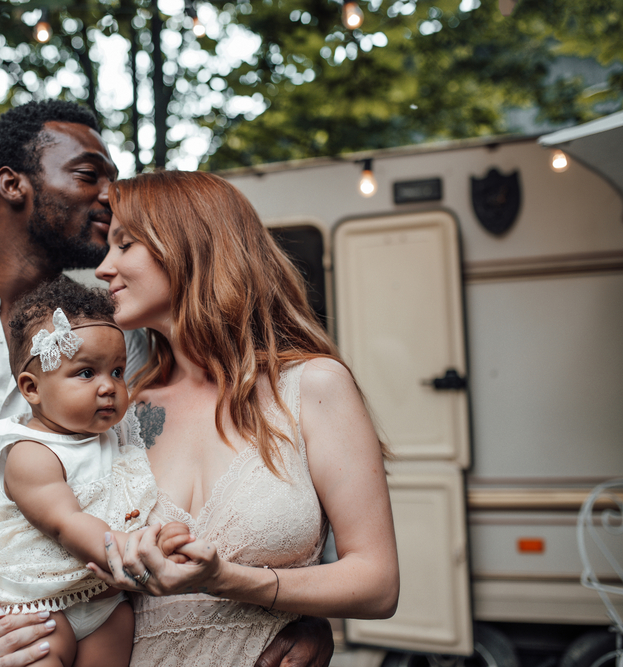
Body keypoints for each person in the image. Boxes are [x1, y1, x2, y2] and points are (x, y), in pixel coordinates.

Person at [0, 98, 333, 667]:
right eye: (88, 174)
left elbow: (225, 480)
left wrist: (302, 617)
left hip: (106, 636)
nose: (110, 193)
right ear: (13, 184)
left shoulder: (124, 336)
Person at [80, 170, 401, 667]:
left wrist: (231, 581)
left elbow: (377, 584)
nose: (104, 268)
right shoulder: (124, 410)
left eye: (125, 244)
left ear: (190, 245)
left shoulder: (312, 386)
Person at [0, 276, 191, 667]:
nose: (108, 387)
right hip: (34, 600)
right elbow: (67, 522)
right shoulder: (29, 452)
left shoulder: (117, 437)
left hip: (104, 600)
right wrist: (136, 551)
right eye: (85, 373)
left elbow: (132, 504)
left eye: (117, 371)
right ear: (32, 388)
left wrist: (157, 541)